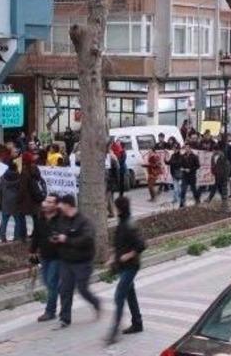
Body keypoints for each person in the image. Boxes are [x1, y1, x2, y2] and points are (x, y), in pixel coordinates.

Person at [54, 194, 100, 328]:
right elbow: (59, 232)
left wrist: (66, 240)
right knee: (64, 289)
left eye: (61, 204)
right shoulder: (62, 219)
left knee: (82, 289)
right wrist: (56, 239)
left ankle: (96, 303)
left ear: (68, 205)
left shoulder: (84, 221)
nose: (59, 206)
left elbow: (87, 239)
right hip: (66, 261)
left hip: (82, 261)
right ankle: (65, 318)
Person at [106, 196, 145, 345]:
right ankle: (137, 323)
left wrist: (127, 255)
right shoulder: (122, 222)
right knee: (130, 294)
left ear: (120, 208)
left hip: (131, 266)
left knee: (119, 296)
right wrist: (113, 257)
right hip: (123, 266)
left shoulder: (130, 224)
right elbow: (120, 244)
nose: (114, 210)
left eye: (115, 207)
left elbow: (141, 245)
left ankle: (114, 332)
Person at [30, 194, 61, 322]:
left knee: (51, 283)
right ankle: (61, 293)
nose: (46, 204)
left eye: (50, 202)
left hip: (57, 256)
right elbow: (36, 235)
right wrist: (32, 251)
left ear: (56, 205)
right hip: (44, 256)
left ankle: (50, 311)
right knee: (47, 282)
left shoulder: (61, 220)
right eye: (46, 201)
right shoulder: (40, 218)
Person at [17, 152, 45, 238]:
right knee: (35, 217)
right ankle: (36, 234)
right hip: (36, 197)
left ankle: (23, 234)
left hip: (27, 199)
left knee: (21, 216)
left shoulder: (24, 172)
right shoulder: (35, 168)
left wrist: (18, 199)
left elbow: (23, 188)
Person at [0, 162, 20, 243]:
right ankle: (16, 236)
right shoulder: (19, 177)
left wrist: (1, 201)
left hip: (5, 201)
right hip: (16, 202)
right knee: (17, 220)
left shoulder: (3, 178)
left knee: (4, 220)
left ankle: (2, 237)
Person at [105, 144, 120, 216]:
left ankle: (112, 212)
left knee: (108, 198)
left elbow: (116, 171)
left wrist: (117, 181)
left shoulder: (112, 158)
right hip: (107, 181)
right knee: (109, 198)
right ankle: (112, 212)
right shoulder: (106, 158)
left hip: (110, 181)